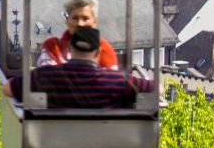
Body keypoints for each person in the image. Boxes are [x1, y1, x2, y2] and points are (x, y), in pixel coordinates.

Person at [8, 25, 139, 107]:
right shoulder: (115, 80)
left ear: (69, 48)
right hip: (108, 147)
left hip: (53, 146)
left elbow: (8, 88)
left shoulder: (45, 75)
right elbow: (155, 89)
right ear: (98, 53)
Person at [37, 0, 120, 70]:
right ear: (67, 21)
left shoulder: (104, 49)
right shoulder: (52, 47)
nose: (80, 24)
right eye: (75, 18)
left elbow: (112, 82)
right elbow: (45, 79)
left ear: (94, 22)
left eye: (85, 18)